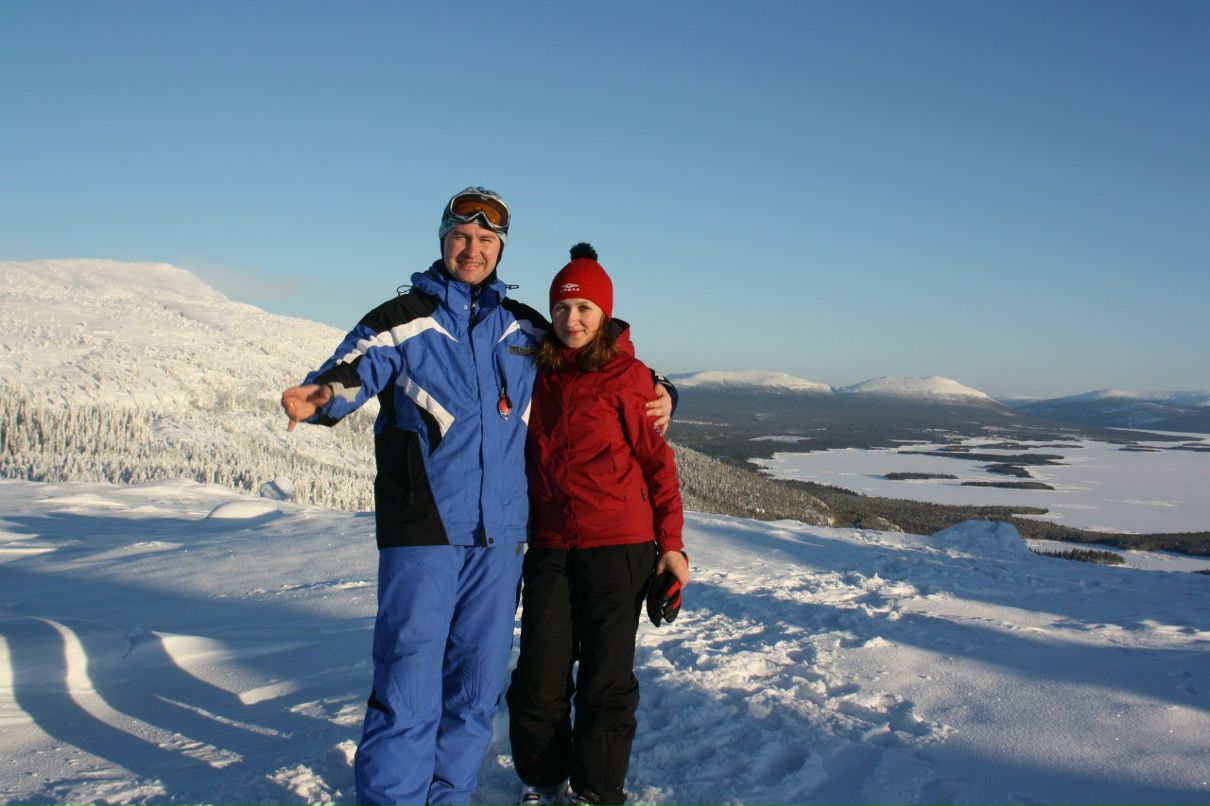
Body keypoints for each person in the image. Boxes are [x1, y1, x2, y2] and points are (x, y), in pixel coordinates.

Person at [280, 190, 674, 806]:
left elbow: (599, 351)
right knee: (409, 681)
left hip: (501, 539)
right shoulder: (403, 319)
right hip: (425, 529)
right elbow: (356, 367)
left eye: (486, 240)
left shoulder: (523, 327)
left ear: (500, 249)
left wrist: (665, 389)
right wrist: (325, 394)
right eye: (462, 237)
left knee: (476, 687)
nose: (473, 249)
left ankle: (449, 795)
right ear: (443, 241)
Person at [506, 244, 689, 806]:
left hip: (620, 547)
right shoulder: (535, 369)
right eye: (562, 308)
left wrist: (672, 547)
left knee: (605, 680)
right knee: (538, 676)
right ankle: (543, 780)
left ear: (604, 313)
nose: (572, 320)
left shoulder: (628, 377)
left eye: (585, 308)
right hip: (551, 546)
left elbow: (658, 465)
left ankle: (596, 791)